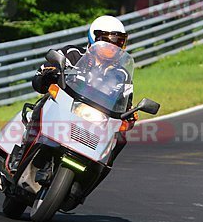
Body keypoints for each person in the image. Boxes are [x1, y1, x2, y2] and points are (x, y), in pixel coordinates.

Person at [8, 15, 131, 173]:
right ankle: (22, 152)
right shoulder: (73, 54)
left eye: (118, 43)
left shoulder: (122, 75)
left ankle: (93, 177)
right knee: (47, 100)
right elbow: (42, 73)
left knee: (120, 138)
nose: (111, 47)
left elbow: (126, 103)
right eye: (107, 42)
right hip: (63, 108)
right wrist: (48, 73)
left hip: (96, 119)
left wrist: (130, 114)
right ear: (94, 38)